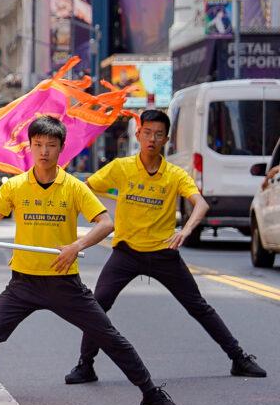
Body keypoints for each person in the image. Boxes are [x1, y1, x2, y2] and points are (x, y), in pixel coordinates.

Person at [0, 115, 185, 405]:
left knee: (109, 337)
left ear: (61, 148)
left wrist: (77, 246)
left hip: (64, 284)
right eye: (38, 145)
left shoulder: (74, 187)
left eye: (51, 145)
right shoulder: (15, 186)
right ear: (30, 147)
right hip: (23, 285)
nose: (44, 151)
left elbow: (106, 223)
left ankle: (150, 392)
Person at [63, 109, 266, 384]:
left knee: (199, 307)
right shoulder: (121, 167)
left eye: (158, 134)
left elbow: (201, 204)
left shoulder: (174, 174)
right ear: (138, 135)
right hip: (126, 252)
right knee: (98, 307)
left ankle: (239, 358)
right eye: (147, 133)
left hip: (164, 254)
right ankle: (85, 365)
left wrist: (186, 230)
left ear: (166, 140)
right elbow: (85, 188)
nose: (152, 139)